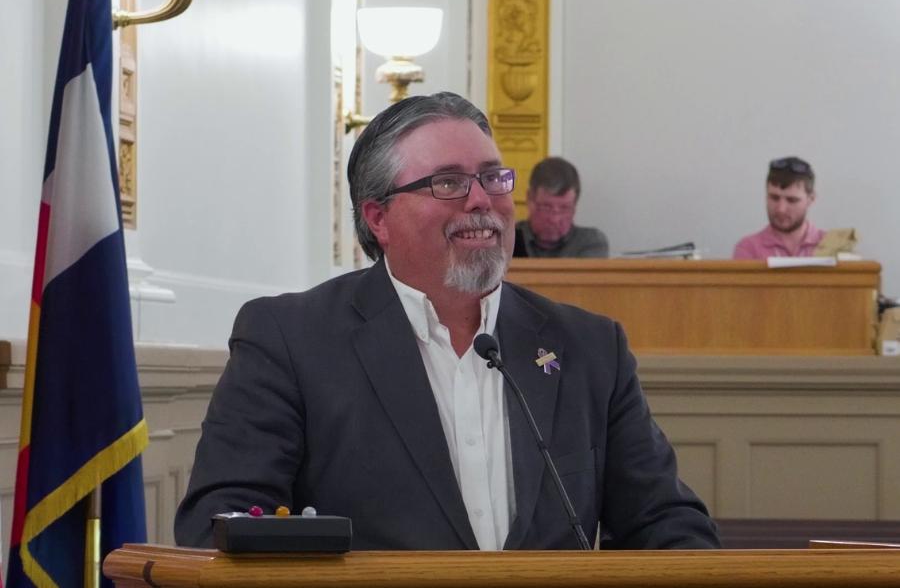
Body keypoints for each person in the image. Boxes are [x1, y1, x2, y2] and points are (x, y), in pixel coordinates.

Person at [174, 92, 719, 551]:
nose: (482, 201)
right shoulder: (290, 339)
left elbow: (668, 524)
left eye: (492, 179)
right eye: (448, 183)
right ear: (378, 217)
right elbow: (221, 526)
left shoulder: (589, 347)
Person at [514, 156, 608, 258]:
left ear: (574, 206)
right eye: (546, 207)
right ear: (530, 199)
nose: (555, 219)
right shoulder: (506, 240)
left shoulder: (590, 243)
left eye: (564, 208)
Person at [733, 156, 825, 259]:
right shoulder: (748, 248)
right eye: (774, 198)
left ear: (811, 199)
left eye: (792, 200)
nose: (781, 209)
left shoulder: (833, 246)